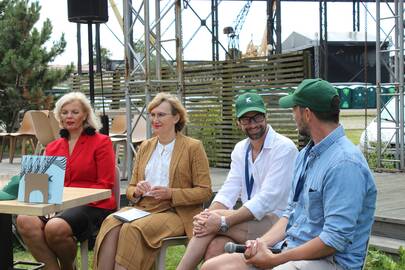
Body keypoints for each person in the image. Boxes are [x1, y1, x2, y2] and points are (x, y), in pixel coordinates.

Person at [201, 78, 377, 270]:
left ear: (307, 114)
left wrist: (276, 260)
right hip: (291, 250)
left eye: (294, 108)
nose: (293, 115)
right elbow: (290, 214)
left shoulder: (345, 163)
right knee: (212, 267)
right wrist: (261, 244)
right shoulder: (305, 155)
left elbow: (333, 240)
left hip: (330, 262)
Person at [177, 92, 298, 270]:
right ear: (238, 123)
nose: (253, 124)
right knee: (214, 247)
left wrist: (223, 221)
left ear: (266, 116)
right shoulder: (240, 149)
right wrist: (207, 216)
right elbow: (228, 191)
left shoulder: (284, 148)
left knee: (213, 219)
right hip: (248, 222)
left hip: (278, 224)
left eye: (257, 117)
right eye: (246, 119)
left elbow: (267, 200)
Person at [93, 92, 212, 270]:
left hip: (175, 212)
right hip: (143, 208)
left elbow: (205, 191)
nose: (155, 119)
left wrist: (171, 193)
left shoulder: (193, 147)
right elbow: (131, 188)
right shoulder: (145, 146)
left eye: (161, 115)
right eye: (153, 115)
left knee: (131, 229)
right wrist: (138, 190)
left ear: (176, 117)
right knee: (110, 223)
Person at [16, 92, 116, 270]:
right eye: (64, 112)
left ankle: (69, 267)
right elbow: (44, 184)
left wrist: (65, 205)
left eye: (75, 112)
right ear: (59, 116)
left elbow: (105, 184)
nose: (69, 116)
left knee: (55, 227)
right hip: (58, 204)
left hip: (95, 204)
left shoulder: (102, 142)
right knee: (24, 219)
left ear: (85, 115)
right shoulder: (52, 147)